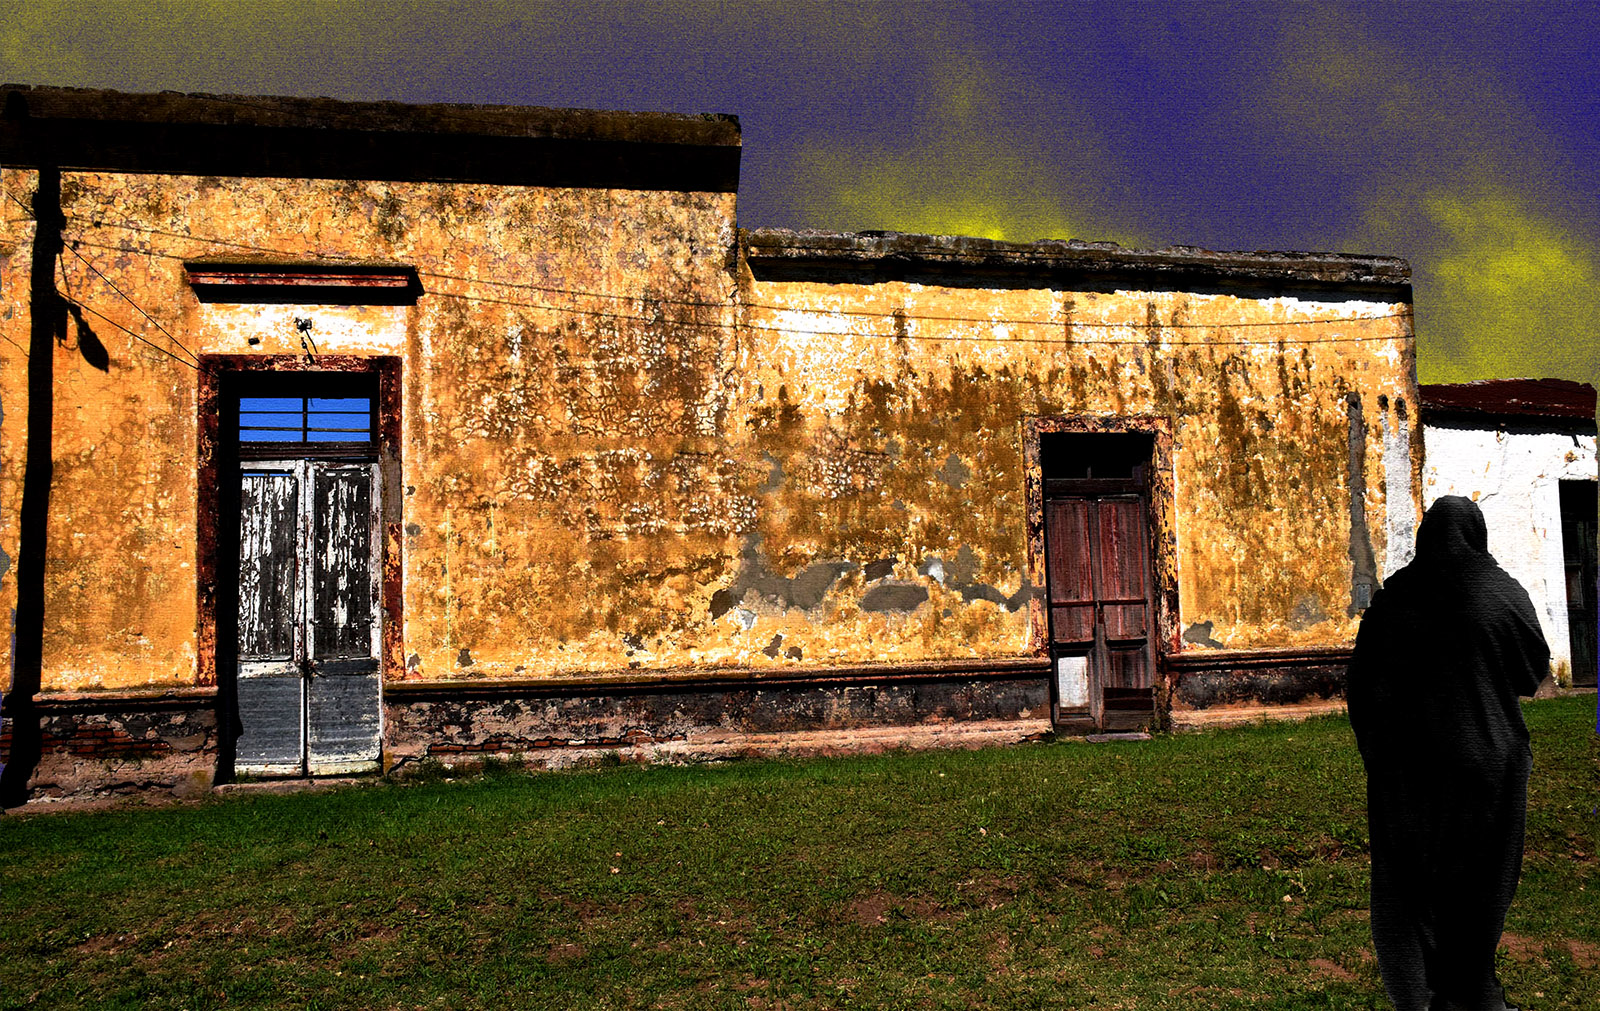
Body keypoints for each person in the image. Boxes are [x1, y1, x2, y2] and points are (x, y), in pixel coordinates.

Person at [1346, 496, 1550, 1010]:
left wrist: (1380, 756)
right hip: (1487, 768)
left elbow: (1361, 690)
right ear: (1476, 535)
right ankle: (1475, 992)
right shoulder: (1501, 593)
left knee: (1407, 888)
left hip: (1405, 775)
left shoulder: (1392, 602)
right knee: (1483, 882)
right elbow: (1531, 676)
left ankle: (1418, 997)